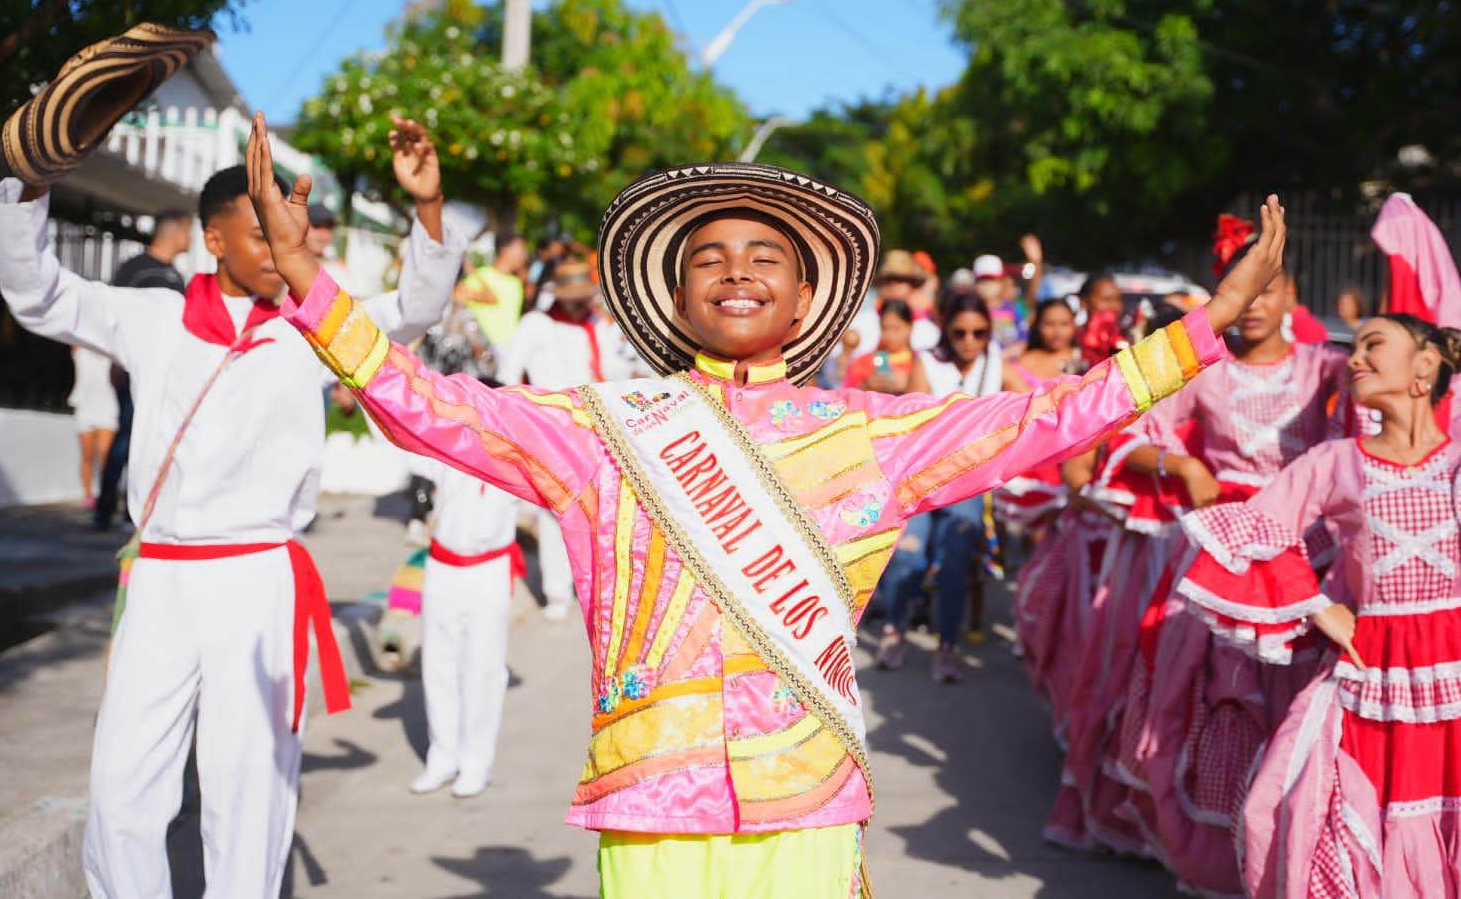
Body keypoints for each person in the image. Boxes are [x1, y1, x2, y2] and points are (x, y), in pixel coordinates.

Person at [249, 115, 1287, 897]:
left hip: (806, 795)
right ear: (674, 296)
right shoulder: (605, 429)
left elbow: (1051, 417)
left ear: (802, 299)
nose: (736, 272)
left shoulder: (869, 434)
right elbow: (432, 408)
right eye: (709, 258)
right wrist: (306, 279)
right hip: (651, 794)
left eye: (764, 261)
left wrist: (1201, 335)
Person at [0, 65, 462, 895]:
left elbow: (416, 309)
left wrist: (427, 208)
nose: (284, 248)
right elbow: (38, 294)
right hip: (165, 577)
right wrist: (30, 185)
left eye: (292, 228)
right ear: (213, 239)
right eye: (261, 230)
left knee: (250, 783)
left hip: (260, 575)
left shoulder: (318, 326)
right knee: (124, 787)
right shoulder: (153, 316)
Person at [1178, 310, 1461, 898]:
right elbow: (1252, 531)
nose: (1356, 358)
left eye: (1374, 344)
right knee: (1291, 802)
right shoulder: (1334, 461)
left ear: (1426, 366)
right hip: (1371, 675)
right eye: (1356, 347)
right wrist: (1315, 603)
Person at [1054, 220, 1351, 882]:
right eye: (1240, 293)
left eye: (1267, 291)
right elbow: (1128, 438)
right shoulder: (1206, 372)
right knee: (1217, 696)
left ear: (1292, 295)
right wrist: (1183, 468)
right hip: (1222, 552)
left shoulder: (1325, 366)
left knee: (1298, 697)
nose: (1253, 307)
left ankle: (1296, 840)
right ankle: (1214, 855)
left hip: (1306, 554)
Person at [877, 292, 1005, 684]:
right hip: (922, 481)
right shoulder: (927, 362)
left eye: (979, 332)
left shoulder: (995, 360)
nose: (970, 340)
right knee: (906, 558)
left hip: (967, 485)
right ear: (946, 329)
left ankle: (946, 645)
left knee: (954, 564)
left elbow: (1038, 393)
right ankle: (895, 629)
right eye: (961, 331)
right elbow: (917, 425)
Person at [497, 258, 635, 620]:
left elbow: (613, 368)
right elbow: (507, 376)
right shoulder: (535, 325)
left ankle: (595, 585)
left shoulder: (595, 324)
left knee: (602, 510)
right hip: (551, 428)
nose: (581, 303)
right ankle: (556, 591)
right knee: (553, 511)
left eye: (584, 297)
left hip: (596, 427)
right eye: (574, 297)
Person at [410, 443, 526, 799]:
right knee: (437, 664)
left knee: (483, 668)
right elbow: (401, 436)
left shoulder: (514, 456)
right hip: (441, 565)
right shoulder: (445, 443)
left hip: (488, 568)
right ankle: (442, 755)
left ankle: (476, 762)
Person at [92, 208, 193, 530]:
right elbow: (114, 318)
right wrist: (117, 362)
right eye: (189, 231)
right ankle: (105, 510)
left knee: (153, 441)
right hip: (132, 370)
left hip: (167, 376)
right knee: (126, 439)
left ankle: (135, 513)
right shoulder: (134, 270)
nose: (191, 239)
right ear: (175, 231)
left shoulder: (176, 276)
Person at [847, 248, 940, 358]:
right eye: (888, 280)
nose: (893, 285)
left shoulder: (928, 332)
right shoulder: (858, 324)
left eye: (900, 280)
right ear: (880, 285)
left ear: (912, 286)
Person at [458, 229, 529, 348]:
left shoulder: (516, 283)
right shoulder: (480, 276)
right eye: (521, 250)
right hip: (483, 350)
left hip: (510, 348)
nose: (525, 255)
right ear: (505, 250)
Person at [69, 345, 119, 508]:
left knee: (106, 453)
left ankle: (108, 496)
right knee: (87, 454)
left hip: (108, 406)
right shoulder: (79, 348)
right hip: (84, 405)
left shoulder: (113, 350)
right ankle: (89, 495)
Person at [843, 299, 919, 393]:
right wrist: (866, 386)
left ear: (910, 327)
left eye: (897, 329)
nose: (890, 336)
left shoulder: (920, 363)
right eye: (885, 328)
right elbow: (846, 396)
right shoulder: (863, 363)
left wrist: (912, 383)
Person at [972, 254, 1028, 348]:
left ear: (1001, 281)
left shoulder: (1013, 308)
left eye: (992, 280)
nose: (987, 285)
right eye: (982, 280)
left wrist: (1007, 356)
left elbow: (1023, 340)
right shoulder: (970, 310)